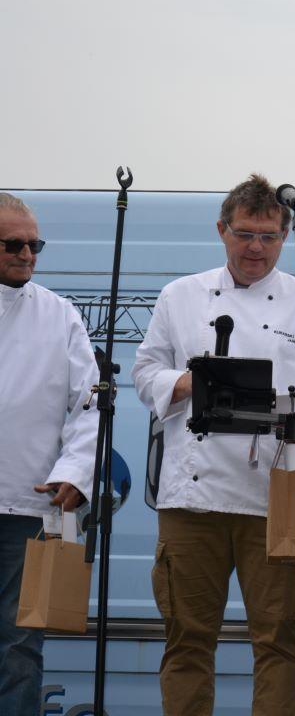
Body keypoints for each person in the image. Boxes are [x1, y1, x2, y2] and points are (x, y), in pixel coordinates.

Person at [132, 175, 295, 716]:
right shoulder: (180, 295)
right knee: (187, 638)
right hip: (191, 498)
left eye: (269, 237)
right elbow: (145, 372)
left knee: (280, 641)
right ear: (221, 230)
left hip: (277, 494)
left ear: (286, 235)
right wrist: (190, 383)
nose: (256, 248)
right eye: (245, 234)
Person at [0, 193, 99, 714]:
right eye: (13, 244)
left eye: (34, 245)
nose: (27, 254)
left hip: (30, 508)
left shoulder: (60, 316)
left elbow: (91, 406)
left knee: (20, 646)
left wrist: (76, 472)